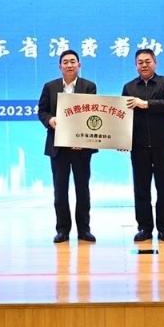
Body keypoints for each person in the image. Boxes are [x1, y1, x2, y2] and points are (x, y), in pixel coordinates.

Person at [37, 49, 98, 244]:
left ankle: (84, 230)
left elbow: (92, 114)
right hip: (58, 148)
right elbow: (42, 111)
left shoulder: (89, 86)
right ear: (60, 66)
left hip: (82, 147)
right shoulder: (50, 87)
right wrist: (50, 120)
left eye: (73, 61)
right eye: (65, 62)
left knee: (83, 190)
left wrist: (82, 139)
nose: (69, 65)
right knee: (60, 191)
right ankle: (62, 230)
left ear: (79, 65)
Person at [122, 48, 164, 243]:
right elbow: (123, 117)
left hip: (162, 144)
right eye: (140, 62)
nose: (144, 65)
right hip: (138, 145)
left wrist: (145, 104)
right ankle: (144, 228)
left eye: (148, 61)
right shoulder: (129, 87)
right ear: (135, 65)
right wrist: (123, 139)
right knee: (141, 188)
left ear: (155, 63)